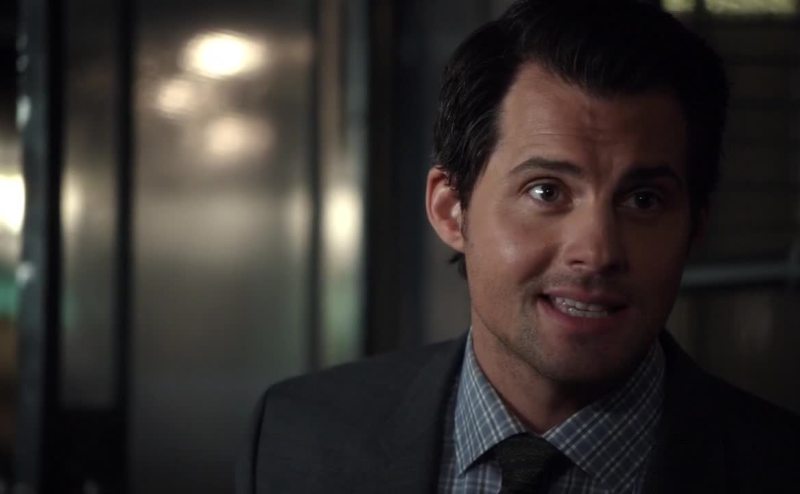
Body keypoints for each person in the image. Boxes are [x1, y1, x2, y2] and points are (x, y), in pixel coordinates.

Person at [237, 0, 800, 492]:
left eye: (644, 200)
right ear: (450, 209)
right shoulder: (296, 437)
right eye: (546, 191)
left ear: (695, 228)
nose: (597, 252)